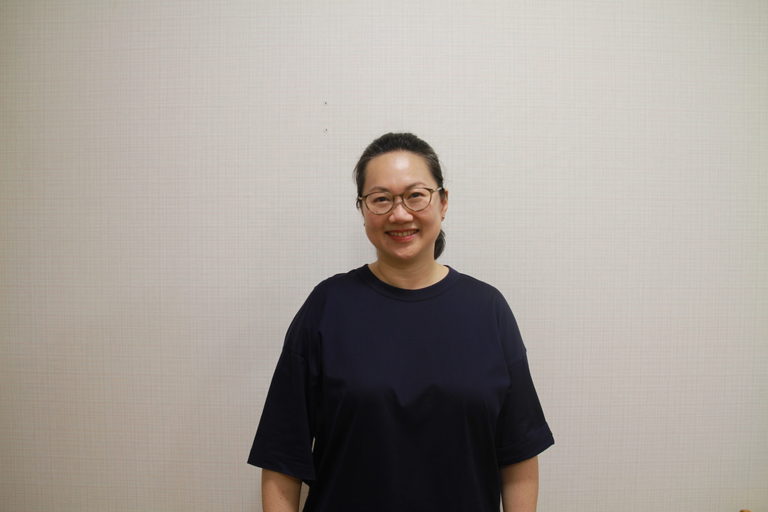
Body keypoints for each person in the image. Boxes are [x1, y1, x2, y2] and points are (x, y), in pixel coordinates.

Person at [248, 132, 554, 512]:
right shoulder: (327, 307)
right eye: (381, 199)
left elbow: (518, 454)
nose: (400, 214)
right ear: (363, 210)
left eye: (415, 195)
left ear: (443, 202)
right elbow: (282, 456)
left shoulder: (488, 309)